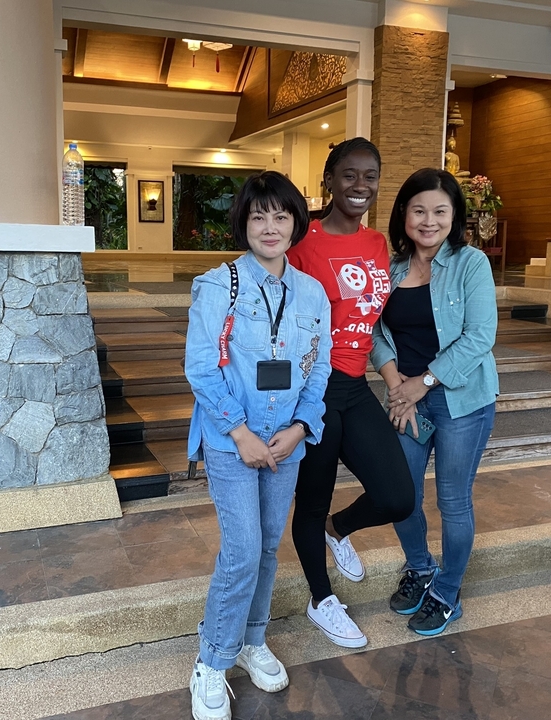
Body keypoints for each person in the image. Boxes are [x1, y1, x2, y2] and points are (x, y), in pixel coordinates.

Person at [184, 170, 332, 720]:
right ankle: (211, 661)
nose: (270, 227)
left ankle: (251, 640)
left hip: (285, 440)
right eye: (258, 216)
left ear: (296, 222)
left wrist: (299, 429)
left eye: (281, 215)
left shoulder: (312, 292)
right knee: (242, 551)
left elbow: (316, 372)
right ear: (243, 223)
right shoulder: (218, 285)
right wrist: (240, 433)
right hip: (233, 442)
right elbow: (201, 367)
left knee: (269, 548)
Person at [286, 137, 416, 649]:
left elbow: (375, 319)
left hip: (356, 384)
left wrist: (398, 376)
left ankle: (339, 530)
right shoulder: (302, 245)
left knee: (397, 495)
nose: (360, 186)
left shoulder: (378, 244)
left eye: (370, 177)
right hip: (314, 388)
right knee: (311, 501)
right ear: (328, 182)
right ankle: (321, 600)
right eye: (349, 175)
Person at [371, 167, 498, 637]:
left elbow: (480, 336)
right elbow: (374, 332)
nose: (428, 220)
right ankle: (420, 567)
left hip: (462, 401)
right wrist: (394, 382)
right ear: (403, 214)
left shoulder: (471, 264)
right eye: (418, 210)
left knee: (453, 501)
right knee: (401, 496)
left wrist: (422, 383)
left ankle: (447, 591)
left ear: (454, 216)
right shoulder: (390, 270)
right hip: (407, 400)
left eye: (440, 211)